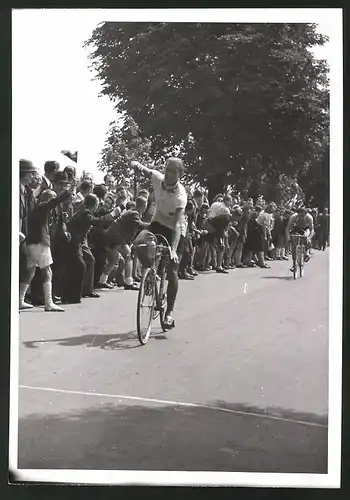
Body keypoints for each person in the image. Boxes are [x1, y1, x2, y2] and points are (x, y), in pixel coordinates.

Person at [131, 157, 187, 328]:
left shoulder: (180, 196)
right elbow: (146, 170)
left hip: (175, 229)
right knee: (138, 244)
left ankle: (169, 313)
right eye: (167, 169)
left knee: (172, 270)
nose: (168, 174)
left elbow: (177, 223)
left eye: (173, 171)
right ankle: (150, 275)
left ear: (179, 174)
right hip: (157, 223)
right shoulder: (157, 178)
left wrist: (174, 250)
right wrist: (136, 164)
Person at [19, 187, 73, 311]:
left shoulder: (36, 209)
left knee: (30, 272)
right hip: (41, 243)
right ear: (48, 198)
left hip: (30, 243)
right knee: (47, 271)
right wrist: (68, 192)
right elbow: (55, 201)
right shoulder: (43, 207)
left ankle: (20, 300)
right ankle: (49, 303)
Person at [103, 196, 149, 290]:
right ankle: (129, 282)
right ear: (144, 205)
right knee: (128, 257)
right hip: (117, 237)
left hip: (111, 235)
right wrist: (153, 225)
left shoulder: (132, 212)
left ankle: (102, 281)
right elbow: (140, 225)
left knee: (113, 259)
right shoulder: (134, 213)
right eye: (145, 205)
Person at [286, 206, 314, 272]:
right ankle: (294, 264)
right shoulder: (293, 217)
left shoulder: (309, 217)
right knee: (294, 243)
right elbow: (288, 228)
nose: (301, 216)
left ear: (305, 214)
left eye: (303, 215)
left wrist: (309, 238)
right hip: (296, 228)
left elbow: (312, 230)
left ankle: (307, 253)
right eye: (299, 214)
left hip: (306, 228)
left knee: (306, 237)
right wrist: (288, 237)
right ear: (297, 214)